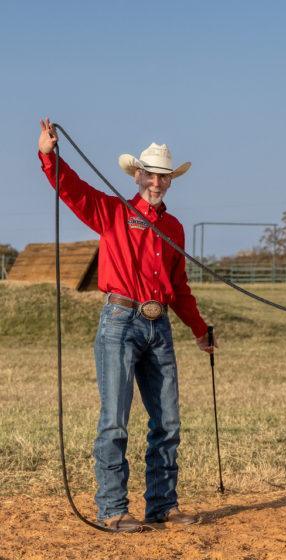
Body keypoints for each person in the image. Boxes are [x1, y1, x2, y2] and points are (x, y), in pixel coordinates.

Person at [38, 119, 216, 532]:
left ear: (170, 181)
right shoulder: (113, 211)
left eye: (163, 177)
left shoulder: (173, 228)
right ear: (137, 175)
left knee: (167, 422)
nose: (156, 182)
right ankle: (113, 508)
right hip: (120, 321)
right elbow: (72, 190)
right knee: (115, 420)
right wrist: (48, 156)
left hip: (159, 325)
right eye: (150, 175)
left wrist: (199, 329)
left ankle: (162, 506)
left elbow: (179, 287)